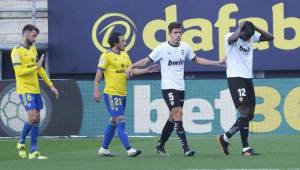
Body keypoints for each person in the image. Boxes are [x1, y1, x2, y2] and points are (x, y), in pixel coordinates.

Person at [126, 22, 226, 157]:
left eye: (180, 32)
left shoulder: (185, 47)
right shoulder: (162, 48)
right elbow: (146, 61)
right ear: (169, 34)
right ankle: (186, 148)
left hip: (180, 87)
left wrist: (217, 63)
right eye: (175, 32)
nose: (178, 35)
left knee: (173, 118)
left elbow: (197, 60)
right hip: (168, 87)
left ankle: (160, 145)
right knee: (178, 113)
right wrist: (131, 66)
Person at [94, 32, 159, 157]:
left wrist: (146, 70)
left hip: (122, 94)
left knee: (113, 121)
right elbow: (98, 75)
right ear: (115, 43)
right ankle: (129, 149)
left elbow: (131, 70)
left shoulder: (125, 55)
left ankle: (104, 149)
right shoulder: (106, 56)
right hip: (111, 93)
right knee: (120, 120)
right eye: (123, 41)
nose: (125, 43)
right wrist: (96, 90)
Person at [218, 21, 274, 156]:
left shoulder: (250, 35)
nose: (249, 39)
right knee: (243, 110)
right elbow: (233, 39)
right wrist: (240, 27)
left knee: (249, 115)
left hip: (247, 77)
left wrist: (255, 27)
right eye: (246, 36)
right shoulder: (230, 37)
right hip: (235, 77)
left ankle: (224, 138)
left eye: (250, 36)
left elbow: (270, 37)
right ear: (241, 31)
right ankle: (245, 148)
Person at [13, 24, 59, 160]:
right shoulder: (16, 51)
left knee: (37, 119)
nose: (35, 39)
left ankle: (33, 151)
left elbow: (40, 69)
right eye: (33, 36)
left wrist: (51, 86)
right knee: (32, 117)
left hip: (35, 89)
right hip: (24, 89)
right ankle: (21, 142)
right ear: (26, 34)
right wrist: (35, 67)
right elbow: (19, 72)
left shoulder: (33, 49)